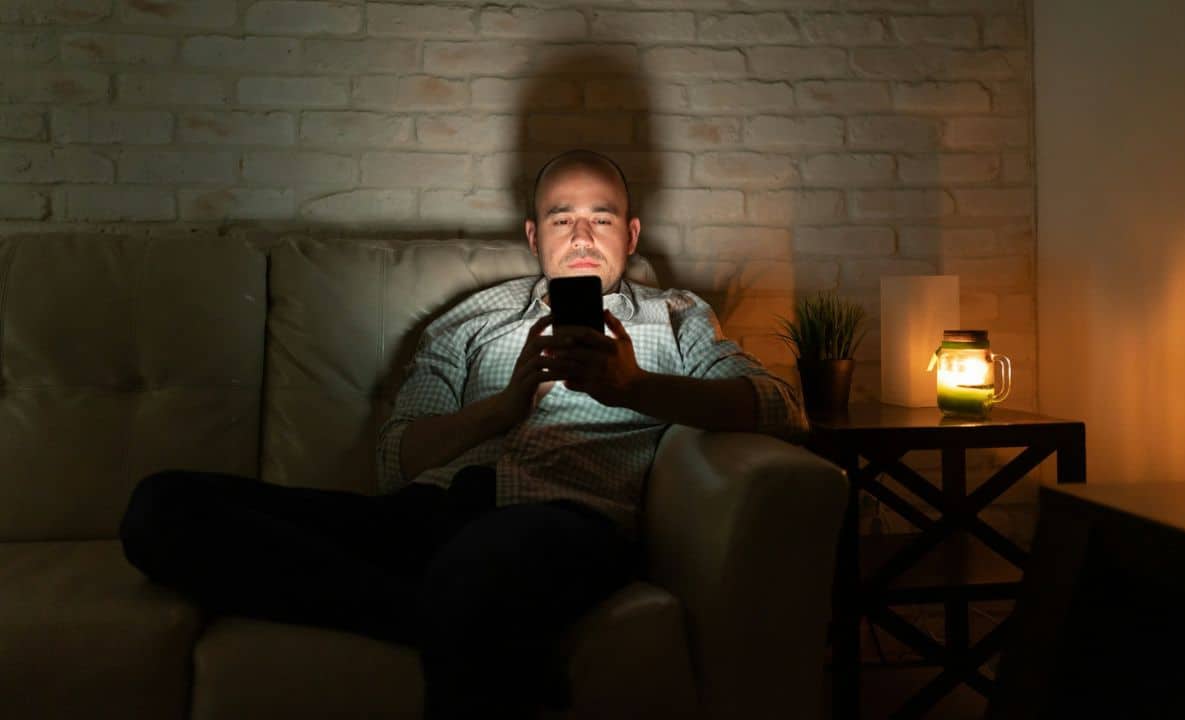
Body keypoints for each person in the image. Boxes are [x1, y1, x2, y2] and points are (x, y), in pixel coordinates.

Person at [119, 149, 808, 719]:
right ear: (535, 236)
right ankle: (449, 617)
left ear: (630, 234)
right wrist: (502, 408)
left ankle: (458, 608)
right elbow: (395, 458)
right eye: (561, 218)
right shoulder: (473, 319)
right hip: (427, 516)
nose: (581, 236)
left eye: (601, 218)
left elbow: (781, 406)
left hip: (564, 521)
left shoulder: (677, 316)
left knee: (478, 572)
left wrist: (635, 388)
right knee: (162, 509)